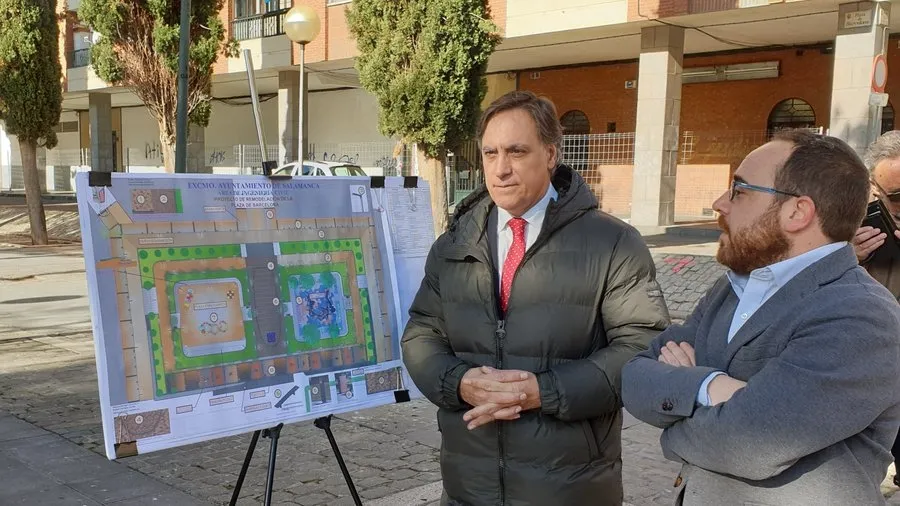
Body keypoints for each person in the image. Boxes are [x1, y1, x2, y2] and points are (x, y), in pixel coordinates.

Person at [401, 90, 670, 506]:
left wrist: (544, 391)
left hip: (571, 489)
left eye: (516, 151)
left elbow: (641, 347)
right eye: (490, 153)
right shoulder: (454, 244)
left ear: (550, 154)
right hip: (469, 487)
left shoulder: (613, 243)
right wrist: (460, 383)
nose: (501, 169)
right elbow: (421, 334)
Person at [621, 130, 900, 505]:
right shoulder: (732, 288)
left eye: (739, 190)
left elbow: (750, 444)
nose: (720, 204)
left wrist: (675, 420)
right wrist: (712, 386)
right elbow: (635, 378)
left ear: (797, 212)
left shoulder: (862, 314)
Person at [852, 130, 900, 487]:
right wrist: (845, 257)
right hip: (875, 380)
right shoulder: (850, 229)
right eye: (897, 196)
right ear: (873, 188)